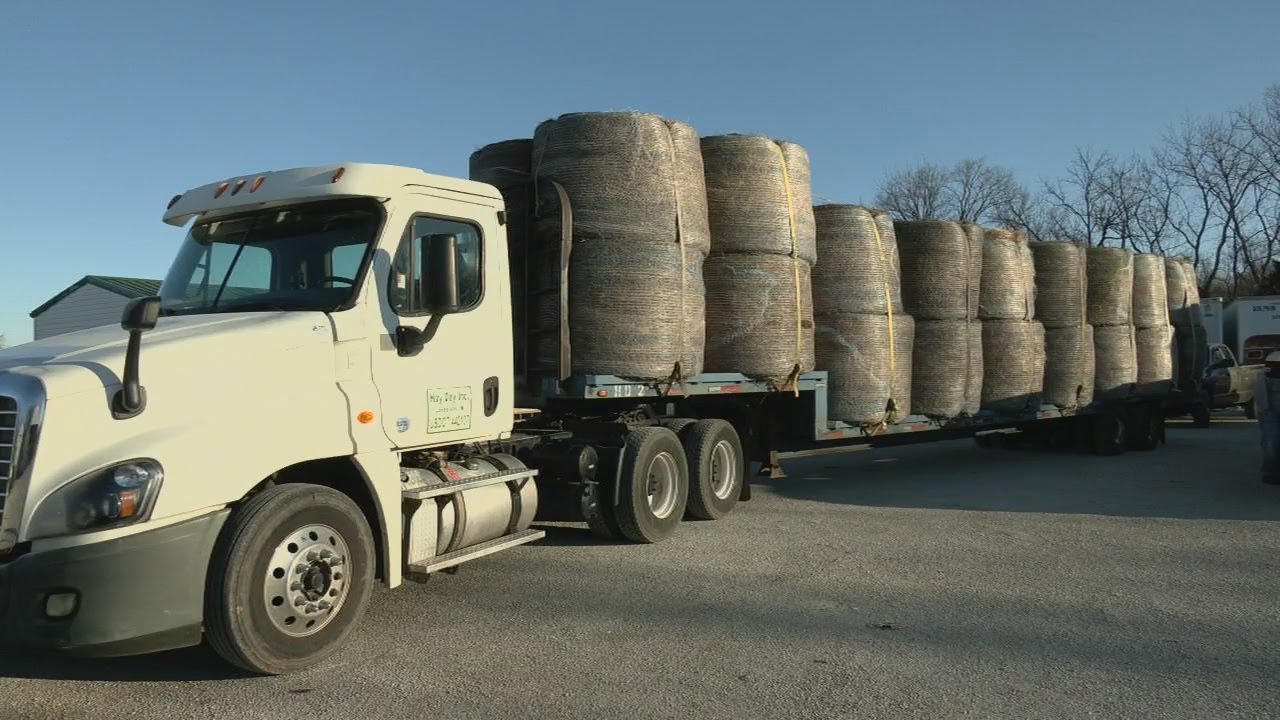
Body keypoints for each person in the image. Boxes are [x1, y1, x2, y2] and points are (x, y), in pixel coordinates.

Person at [1255, 351, 1280, 484]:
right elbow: (1261, 395)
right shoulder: (1265, 376)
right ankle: (1271, 472)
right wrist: (1265, 410)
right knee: (1271, 443)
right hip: (1271, 414)